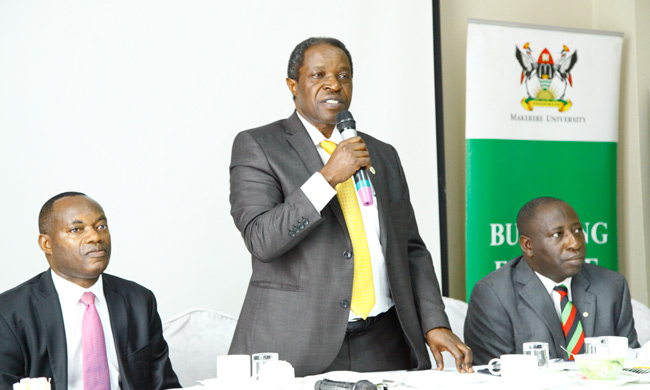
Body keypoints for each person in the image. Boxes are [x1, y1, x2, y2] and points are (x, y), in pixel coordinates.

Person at [228, 37, 472, 376]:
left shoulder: (381, 154)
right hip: (296, 346)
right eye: (318, 75)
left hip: (384, 342)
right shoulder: (259, 145)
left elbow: (410, 249)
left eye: (344, 76)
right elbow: (262, 240)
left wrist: (434, 323)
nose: (333, 83)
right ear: (292, 85)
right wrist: (327, 177)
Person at [0, 192, 180, 390]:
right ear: (46, 244)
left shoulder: (139, 301)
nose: (95, 237)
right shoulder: (9, 313)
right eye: (76, 229)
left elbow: (164, 385)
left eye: (101, 226)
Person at [464, 196, 639, 365]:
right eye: (558, 234)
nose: (575, 243)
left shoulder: (611, 285)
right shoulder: (494, 295)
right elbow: (496, 374)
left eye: (577, 230)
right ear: (527, 245)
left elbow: (631, 363)